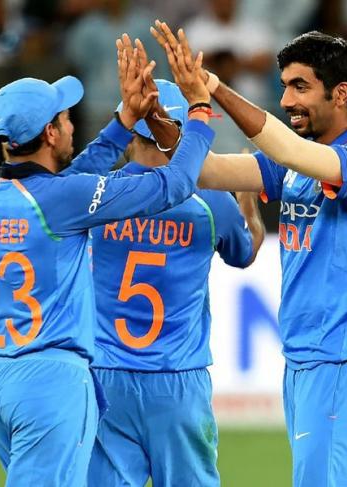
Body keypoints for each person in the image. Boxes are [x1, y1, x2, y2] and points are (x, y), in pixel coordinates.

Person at [151, 22, 347, 486]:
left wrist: (213, 87)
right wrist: (153, 115)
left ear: (341, 93)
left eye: (300, 87)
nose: (286, 100)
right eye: (284, 86)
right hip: (305, 359)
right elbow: (205, 172)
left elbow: (288, 151)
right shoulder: (295, 161)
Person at [0, 44, 215, 486]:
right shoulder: (63, 198)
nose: (71, 126)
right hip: (50, 381)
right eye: (65, 119)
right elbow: (175, 184)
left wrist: (125, 121)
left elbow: (71, 182)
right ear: (50, 133)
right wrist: (198, 112)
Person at [86, 79, 264, 487]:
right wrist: (247, 203)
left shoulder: (97, 195)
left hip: (105, 376)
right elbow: (245, 252)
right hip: (177, 377)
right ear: (178, 132)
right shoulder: (209, 200)